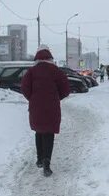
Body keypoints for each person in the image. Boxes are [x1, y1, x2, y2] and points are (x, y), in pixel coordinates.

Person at [20, 47, 71, 177]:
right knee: (49, 133)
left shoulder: (31, 72)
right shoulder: (56, 71)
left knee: (39, 131)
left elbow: (24, 88)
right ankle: (46, 162)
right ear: (50, 59)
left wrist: (32, 98)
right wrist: (55, 97)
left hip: (36, 106)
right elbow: (65, 89)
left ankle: (39, 159)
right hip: (51, 107)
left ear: (36, 59)